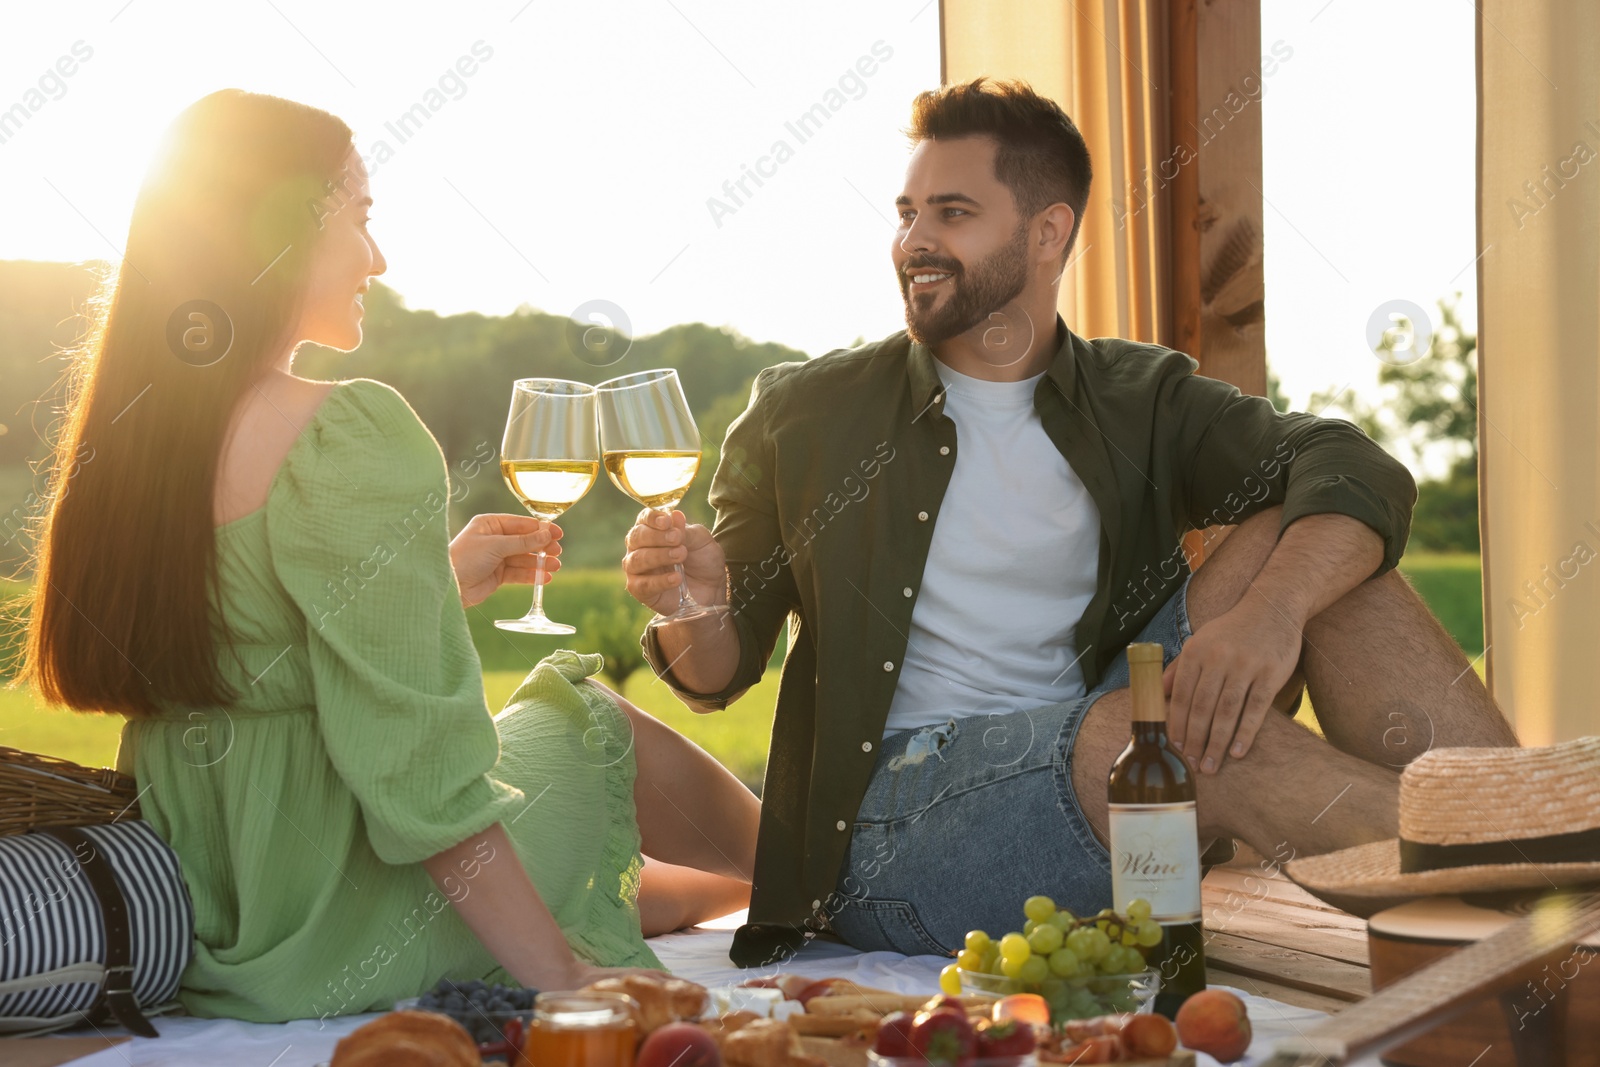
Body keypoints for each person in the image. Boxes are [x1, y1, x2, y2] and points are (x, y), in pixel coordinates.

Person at [621, 78, 1520, 966]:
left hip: (1091, 753)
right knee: (1157, 742)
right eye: (907, 212)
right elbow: (715, 670)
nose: (915, 241)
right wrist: (692, 604)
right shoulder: (805, 411)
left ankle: (1520, 824)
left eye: (953, 213)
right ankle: (1523, 849)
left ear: (1048, 232)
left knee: (1322, 535)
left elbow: (1355, 465)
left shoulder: (1142, 396)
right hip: (896, 827)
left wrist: (1274, 611)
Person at [19, 89, 757, 1023]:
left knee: (635, 876)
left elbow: (250, 652)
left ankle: (703, 895)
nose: (378, 257)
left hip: (215, 898)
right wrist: (565, 983)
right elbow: (421, 770)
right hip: (347, 901)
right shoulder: (346, 431)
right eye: (361, 218)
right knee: (584, 717)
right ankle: (810, 877)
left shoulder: (130, 444)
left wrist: (429, 581)